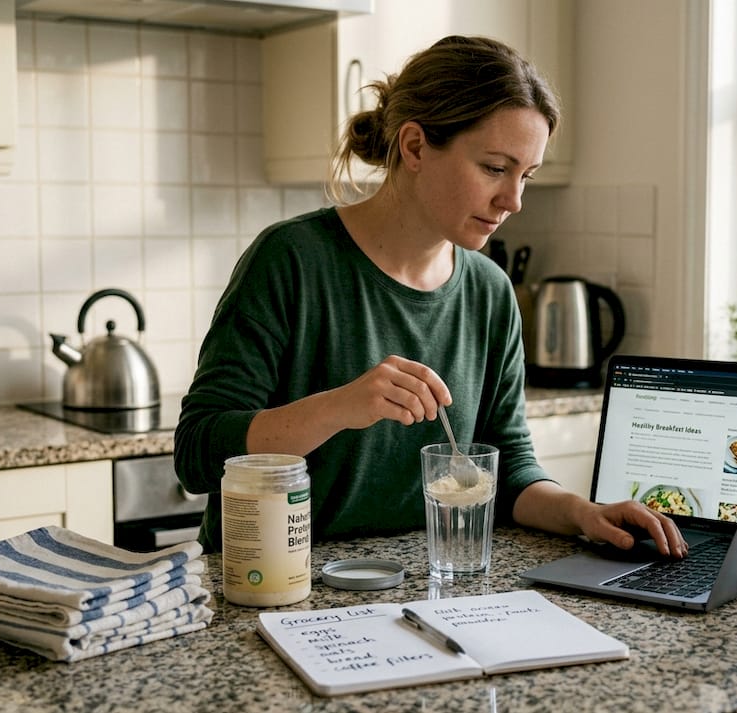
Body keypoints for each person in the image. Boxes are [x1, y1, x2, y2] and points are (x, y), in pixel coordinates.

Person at [174, 35, 688, 559]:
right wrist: (341, 407)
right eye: (494, 168)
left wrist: (584, 513)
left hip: (423, 588)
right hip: (279, 586)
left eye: (526, 175)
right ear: (415, 146)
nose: (513, 200)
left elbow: (509, 468)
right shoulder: (291, 260)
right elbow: (197, 453)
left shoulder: (490, 291)